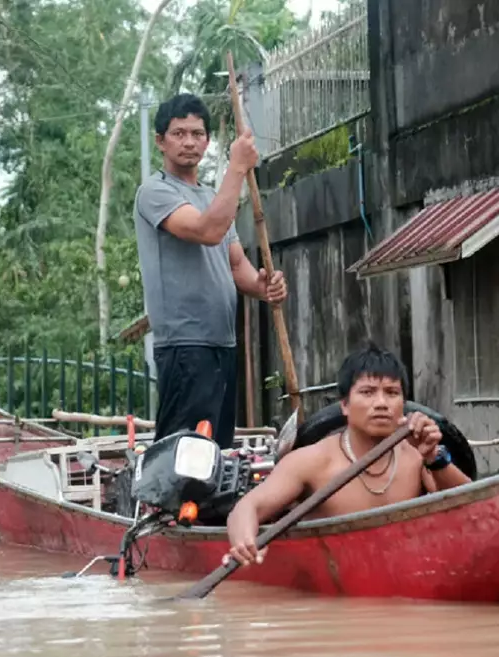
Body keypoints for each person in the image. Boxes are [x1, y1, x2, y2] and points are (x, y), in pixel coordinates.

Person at [224, 344, 473, 566]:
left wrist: (435, 457)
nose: (381, 403)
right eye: (367, 392)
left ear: (403, 404)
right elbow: (247, 508)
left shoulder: (416, 456)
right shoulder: (313, 461)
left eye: (392, 392)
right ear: (344, 405)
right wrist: (244, 542)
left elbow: (474, 511)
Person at [133, 93, 288, 450]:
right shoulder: (154, 192)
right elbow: (207, 231)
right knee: (184, 453)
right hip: (185, 344)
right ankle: (172, 508)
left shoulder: (212, 196)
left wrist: (265, 286)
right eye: (179, 133)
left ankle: (212, 508)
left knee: (216, 450)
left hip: (222, 342)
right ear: (160, 141)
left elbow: (236, 265)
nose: (190, 142)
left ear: (207, 140)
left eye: (198, 133)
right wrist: (236, 168)